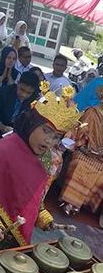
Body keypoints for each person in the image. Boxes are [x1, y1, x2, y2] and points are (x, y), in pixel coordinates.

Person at [0, 86, 80, 256]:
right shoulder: (5, 150)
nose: (49, 141)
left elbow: (33, 195)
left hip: (14, 241)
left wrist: (42, 215)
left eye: (57, 136)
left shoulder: (46, 157)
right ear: (32, 123)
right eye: (46, 131)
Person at [59, 83, 103, 216]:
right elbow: (81, 132)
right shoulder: (92, 112)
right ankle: (69, 203)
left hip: (100, 157)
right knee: (81, 165)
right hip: (84, 149)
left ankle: (81, 204)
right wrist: (84, 147)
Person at [0, 70, 41, 153]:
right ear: (18, 83)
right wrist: (2, 127)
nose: (24, 95)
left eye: (28, 93)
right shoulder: (6, 91)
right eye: (22, 90)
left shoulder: (34, 101)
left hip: (17, 136)